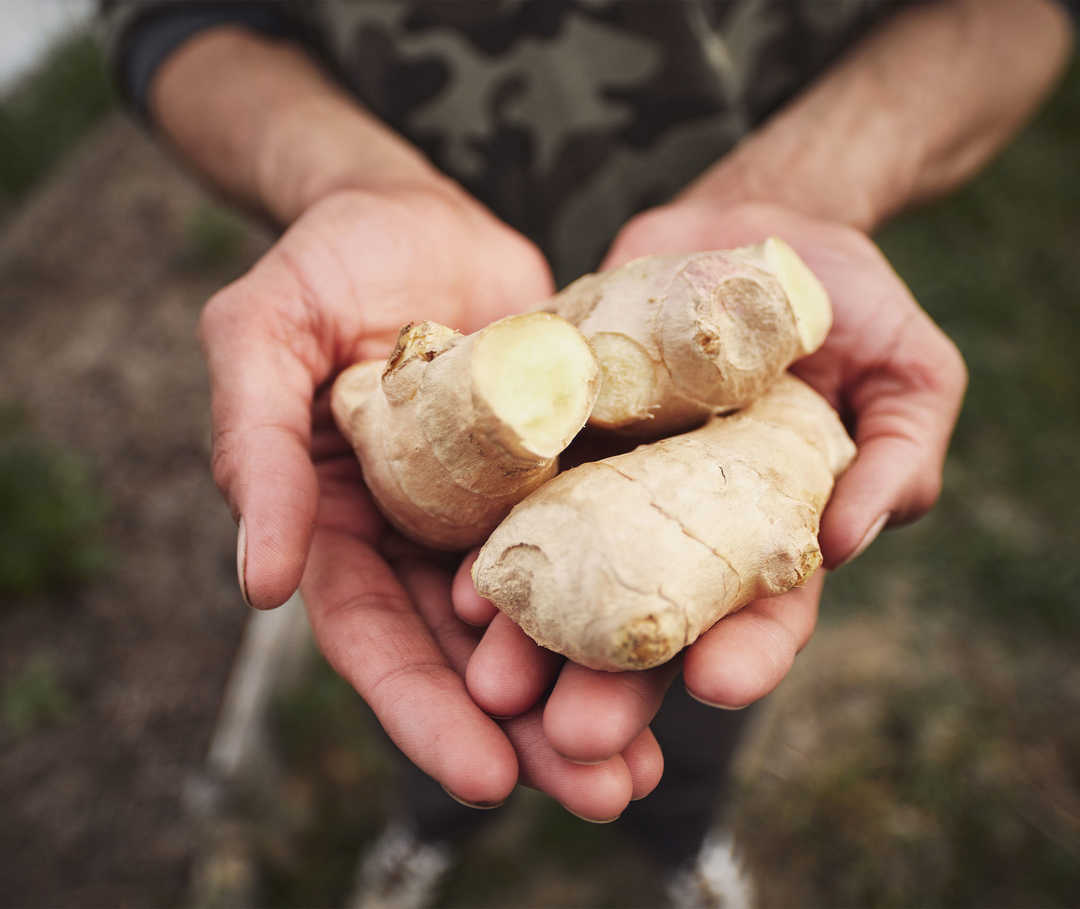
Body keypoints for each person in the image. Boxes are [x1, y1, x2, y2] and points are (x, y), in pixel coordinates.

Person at [99, 1, 1074, 904]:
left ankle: (683, 844)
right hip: (412, 290)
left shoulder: (756, 381)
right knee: (435, 686)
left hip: (721, 243)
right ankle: (430, 827)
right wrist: (353, 182)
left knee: (697, 689)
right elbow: (172, 18)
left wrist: (798, 189)